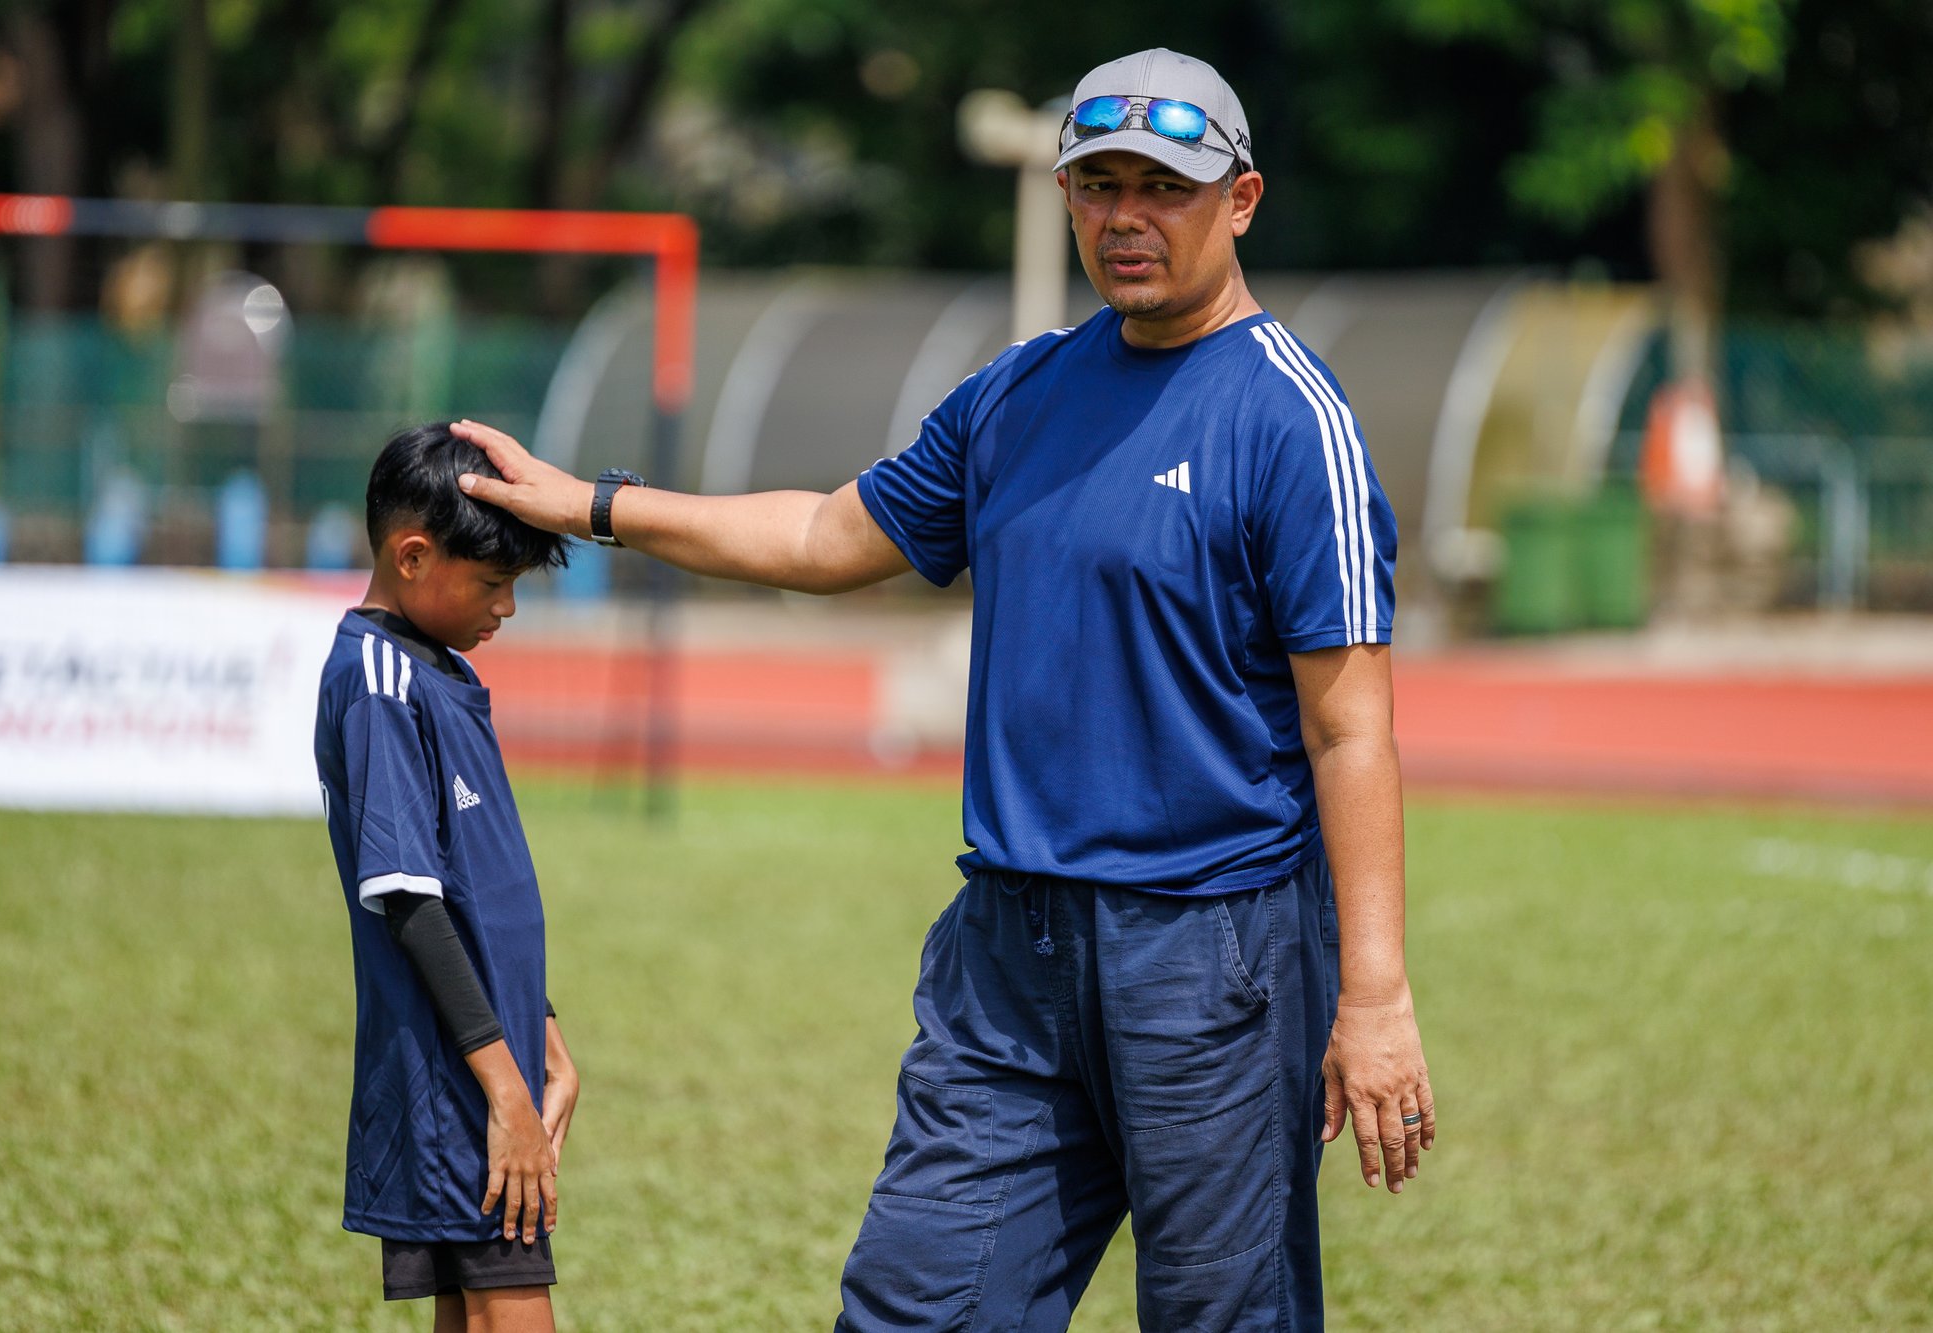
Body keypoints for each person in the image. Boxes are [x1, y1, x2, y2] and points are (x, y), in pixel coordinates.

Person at [454, 46, 1434, 1332]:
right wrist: (593, 503)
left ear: (1238, 201)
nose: (1124, 218)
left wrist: (1373, 998)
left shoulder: (1288, 418)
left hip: (1214, 960)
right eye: (1098, 186)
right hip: (1009, 958)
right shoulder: (1016, 395)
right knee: (916, 1308)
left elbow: (1348, 724)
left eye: (1162, 188)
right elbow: (821, 535)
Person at [314, 423, 582, 1333]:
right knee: (513, 1304)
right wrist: (504, 1088)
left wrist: (539, 1030)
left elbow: (479, 888)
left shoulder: (440, 669)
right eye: (494, 582)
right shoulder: (380, 678)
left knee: (476, 1310)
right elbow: (411, 901)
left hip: (488, 1056)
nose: (507, 606)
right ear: (415, 555)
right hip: (455, 1074)